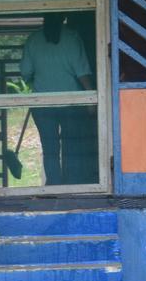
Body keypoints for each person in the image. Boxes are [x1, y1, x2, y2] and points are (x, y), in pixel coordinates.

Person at [19, 13, 95, 185]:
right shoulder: (72, 37)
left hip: (42, 105)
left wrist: (38, 81)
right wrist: (91, 98)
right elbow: (82, 72)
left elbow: (26, 72)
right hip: (72, 104)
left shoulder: (33, 39)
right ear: (63, 18)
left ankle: (54, 184)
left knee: (50, 148)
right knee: (72, 146)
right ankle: (72, 183)